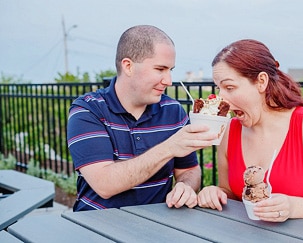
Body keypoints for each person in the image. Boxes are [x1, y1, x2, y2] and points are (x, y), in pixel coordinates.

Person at [196, 39, 303, 224]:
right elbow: (229, 193)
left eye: (229, 87)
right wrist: (216, 193)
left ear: (261, 81)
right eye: (219, 88)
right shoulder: (228, 131)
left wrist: (293, 207)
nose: (221, 99)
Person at [66, 25, 215, 211]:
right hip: (97, 226)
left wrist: (185, 186)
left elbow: (189, 170)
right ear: (128, 66)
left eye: (170, 70)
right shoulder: (88, 110)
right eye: (160, 69)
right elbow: (104, 185)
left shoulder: (173, 110)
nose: (168, 80)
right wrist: (169, 148)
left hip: (158, 224)